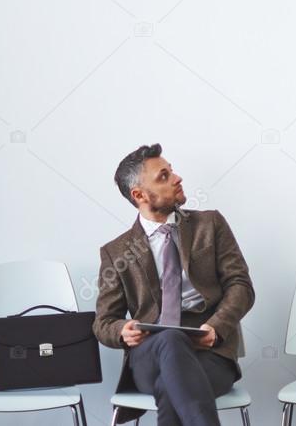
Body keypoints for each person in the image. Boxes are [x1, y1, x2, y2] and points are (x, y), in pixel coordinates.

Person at [93, 143, 255, 426]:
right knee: (169, 338)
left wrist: (216, 327)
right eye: (164, 176)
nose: (177, 178)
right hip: (149, 356)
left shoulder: (210, 224)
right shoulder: (116, 252)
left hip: (210, 351)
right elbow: (103, 322)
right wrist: (123, 331)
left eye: (172, 171)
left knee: (171, 388)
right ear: (139, 195)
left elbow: (240, 285)